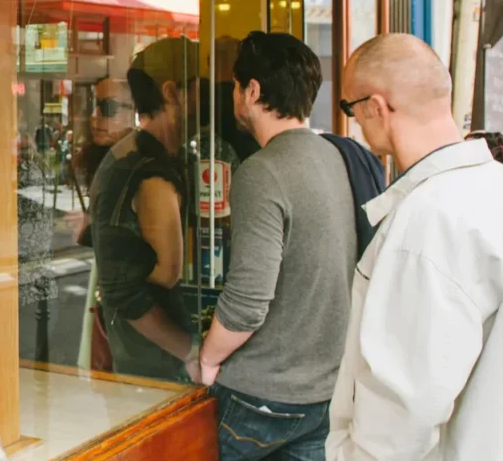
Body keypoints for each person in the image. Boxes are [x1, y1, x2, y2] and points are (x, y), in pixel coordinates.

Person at [327, 34, 503, 461]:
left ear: (377, 107)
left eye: (350, 108)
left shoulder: (429, 221)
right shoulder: (492, 187)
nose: (355, 122)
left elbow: (403, 413)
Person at [195, 32, 356, 461]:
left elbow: (249, 300)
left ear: (252, 90)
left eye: (234, 85)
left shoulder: (262, 171)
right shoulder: (334, 156)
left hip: (261, 396)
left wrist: (207, 360)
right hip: (323, 393)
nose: (233, 94)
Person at [88, 37, 197, 381]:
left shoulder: (135, 154)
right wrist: (192, 352)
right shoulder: (150, 170)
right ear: (172, 92)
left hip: (146, 359)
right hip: (157, 366)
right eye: (198, 89)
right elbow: (165, 273)